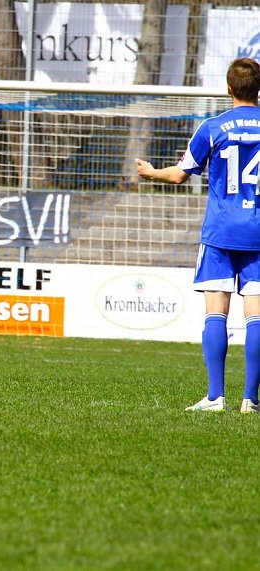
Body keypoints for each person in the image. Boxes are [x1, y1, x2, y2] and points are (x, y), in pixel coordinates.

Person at [136, 57, 260, 414]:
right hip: (258, 233)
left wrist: (151, 172)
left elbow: (179, 175)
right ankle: (250, 400)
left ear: (229, 88)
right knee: (255, 316)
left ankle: (214, 397)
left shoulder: (213, 127)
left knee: (216, 313)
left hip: (221, 232)